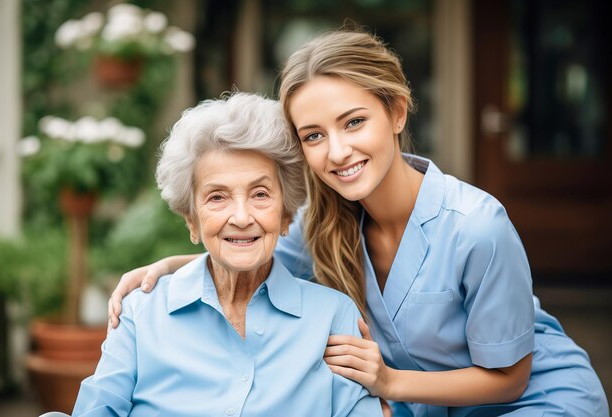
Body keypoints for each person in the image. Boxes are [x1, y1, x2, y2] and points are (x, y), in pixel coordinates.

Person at [108, 30, 609, 417]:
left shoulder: (477, 226)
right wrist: (168, 267)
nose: (338, 151)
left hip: (535, 402)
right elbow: (249, 248)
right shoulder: (321, 221)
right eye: (313, 135)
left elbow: (510, 378)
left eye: (353, 122)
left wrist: (389, 382)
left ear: (395, 112)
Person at [71, 92, 382, 417]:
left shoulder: (333, 318)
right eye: (217, 197)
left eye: (260, 194)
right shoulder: (140, 312)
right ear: (191, 220)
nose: (242, 217)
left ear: (287, 216)